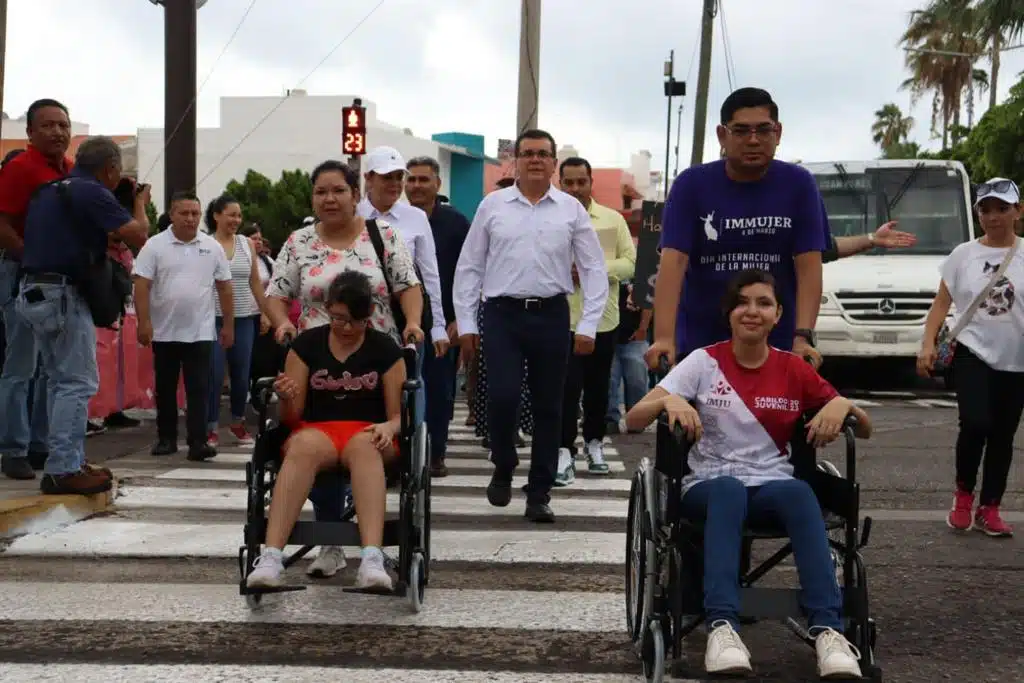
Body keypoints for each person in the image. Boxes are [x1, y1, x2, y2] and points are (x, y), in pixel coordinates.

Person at [626, 268, 870, 678]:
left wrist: (843, 404)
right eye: (742, 303)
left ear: (778, 315)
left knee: (799, 493)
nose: (751, 311)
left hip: (772, 486)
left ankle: (828, 630)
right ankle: (722, 626)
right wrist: (669, 404)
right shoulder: (703, 363)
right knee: (728, 491)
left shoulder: (793, 368)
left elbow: (863, 428)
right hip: (709, 486)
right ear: (729, 313)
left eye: (763, 303)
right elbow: (633, 419)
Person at [265, 159, 421, 579]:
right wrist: (281, 322)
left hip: (376, 354)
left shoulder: (383, 235)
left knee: (362, 442)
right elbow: (277, 293)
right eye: (321, 192)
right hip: (313, 359)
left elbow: (408, 286)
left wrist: (412, 323)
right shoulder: (298, 243)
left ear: (356, 194)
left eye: (338, 190)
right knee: (313, 438)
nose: (329, 199)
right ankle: (329, 539)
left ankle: (364, 543)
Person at [453, 128, 608, 523]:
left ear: (553, 163)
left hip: (551, 315)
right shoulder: (493, 206)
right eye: (528, 153)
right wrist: (467, 321)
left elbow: (593, 268)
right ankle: (503, 462)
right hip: (502, 314)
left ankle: (539, 492)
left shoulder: (570, 209)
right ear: (516, 161)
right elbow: (470, 266)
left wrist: (589, 324)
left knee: (548, 407)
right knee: (502, 395)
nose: (535, 159)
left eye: (543, 154)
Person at [646, 88, 829, 370]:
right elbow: (673, 262)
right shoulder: (691, 185)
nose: (753, 140)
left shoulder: (799, 184)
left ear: (778, 133)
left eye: (763, 130)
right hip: (700, 346)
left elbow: (809, 266)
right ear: (722, 135)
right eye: (741, 130)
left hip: (776, 347)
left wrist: (802, 336)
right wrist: (663, 338)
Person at [245, 270, 405, 592]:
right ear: (328, 309)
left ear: (369, 314)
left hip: (369, 430)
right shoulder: (307, 345)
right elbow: (292, 418)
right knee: (302, 445)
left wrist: (389, 426)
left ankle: (371, 559)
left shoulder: (385, 349)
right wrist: (287, 398)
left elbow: (399, 415)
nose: (345, 328)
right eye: (337, 318)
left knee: (365, 447)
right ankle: (271, 558)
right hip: (318, 429)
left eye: (354, 321)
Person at [16, 136, 149, 494]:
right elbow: (139, 234)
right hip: (63, 292)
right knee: (76, 383)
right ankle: (63, 468)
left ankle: (66, 458)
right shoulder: (91, 191)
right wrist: (139, 202)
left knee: (58, 382)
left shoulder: (50, 190)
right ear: (110, 169)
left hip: (33, 289)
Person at [917, 177, 1023, 538]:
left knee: (1003, 436)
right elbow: (942, 303)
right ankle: (963, 496)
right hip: (972, 352)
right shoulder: (963, 255)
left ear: (1018, 212)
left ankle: (989, 508)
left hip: (1016, 359)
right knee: (976, 423)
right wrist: (927, 343)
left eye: (1002, 209)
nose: (993, 217)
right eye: (985, 209)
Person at [0, 99, 73, 480]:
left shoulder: (72, 170)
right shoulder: (20, 169)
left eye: (63, 124)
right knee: (21, 365)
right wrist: (32, 259)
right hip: (22, 275)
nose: (58, 131)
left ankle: (41, 444)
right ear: (29, 132)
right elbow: (3, 224)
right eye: (48, 125)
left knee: (53, 369)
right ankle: (12, 448)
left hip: (60, 281)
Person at [132, 192, 235, 462]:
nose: (190, 219)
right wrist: (143, 322)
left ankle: (198, 442)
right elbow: (141, 285)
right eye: (184, 213)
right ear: (172, 214)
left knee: (199, 387)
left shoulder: (211, 247)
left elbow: (225, 287)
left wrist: (228, 325)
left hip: (200, 331)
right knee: (165, 387)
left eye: (195, 213)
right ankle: (166, 438)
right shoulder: (154, 246)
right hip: (164, 331)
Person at [555, 156, 636, 485]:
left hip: (603, 319)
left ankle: (594, 443)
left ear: (591, 183)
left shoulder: (612, 220)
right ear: (560, 183)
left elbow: (631, 263)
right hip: (561, 318)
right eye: (569, 182)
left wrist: (595, 269)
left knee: (599, 390)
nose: (575, 189)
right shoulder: (550, 217)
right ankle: (563, 451)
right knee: (565, 389)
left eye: (581, 182)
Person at [404, 155, 471, 477]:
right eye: (411, 179)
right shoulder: (390, 221)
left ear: (437, 184)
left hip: (441, 322)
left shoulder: (456, 224)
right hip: (396, 320)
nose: (416, 185)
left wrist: (461, 318)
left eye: (423, 179)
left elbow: (470, 273)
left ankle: (435, 452)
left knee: (439, 388)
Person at [204, 195, 271, 447]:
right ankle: (210, 427)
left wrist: (265, 312)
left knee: (242, 373)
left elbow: (255, 281)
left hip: (244, 317)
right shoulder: (207, 244)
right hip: (213, 319)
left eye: (238, 215)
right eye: (231, 214)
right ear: (216, 216)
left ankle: (237, 422)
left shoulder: (246, 244)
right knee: (214, 372)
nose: (236, 220)